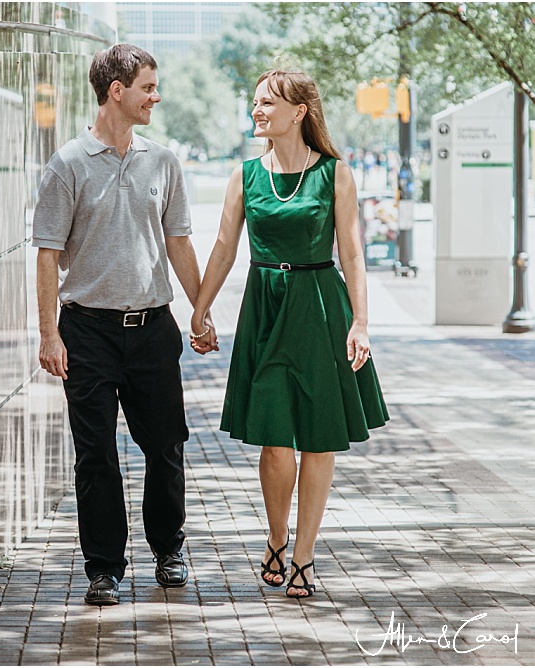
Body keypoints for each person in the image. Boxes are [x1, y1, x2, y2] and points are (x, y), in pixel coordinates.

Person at [189, 67, 388, 599]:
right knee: (276, 443)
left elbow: (351, 255)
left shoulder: (334, 174)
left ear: (298, 112)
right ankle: (276, 539)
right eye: (254, 103)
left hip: (321, 308)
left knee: (319, 442)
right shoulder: (243, 176)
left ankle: (304, 555)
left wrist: (361, 323)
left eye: (267, 104)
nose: (257, 111)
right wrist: (200, 308)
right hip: (265, 309)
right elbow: (225, 249)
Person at [33, 44, 205, 606]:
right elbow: (46, 253)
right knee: (96, 455)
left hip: (153, 329)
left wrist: (200, 308)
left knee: (165, 446)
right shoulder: (68, 164)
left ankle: (169, 550)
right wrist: (47, 334)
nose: (157, 96)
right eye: (149, 87)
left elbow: (178, 242)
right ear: (117, 90)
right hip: (86, 332)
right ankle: (103, 568)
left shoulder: (163, 161)